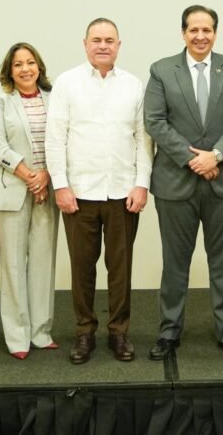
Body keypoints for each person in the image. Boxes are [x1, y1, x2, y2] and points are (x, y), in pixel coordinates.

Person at [144, 4, 223, 361]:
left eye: (207, 29)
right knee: (175, 264)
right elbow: (155, 121)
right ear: (183, 33)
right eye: (193, 29)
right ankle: (169, 331)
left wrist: (216, 156)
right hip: (175, 183)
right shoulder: (162, 70)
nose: (200, 36)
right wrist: (195, 159)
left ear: (215, 34)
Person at [46, 18, 153, 364]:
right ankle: (84, 332)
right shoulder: (67, 83)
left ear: (119, 45)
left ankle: (119, 332)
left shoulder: (134, 85)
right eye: (96, 40)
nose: (103, 45)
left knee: (120, 269)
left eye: (109, 40)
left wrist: (142, 183)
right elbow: (55, 138)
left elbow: (143, 139)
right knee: (82, 269)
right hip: (79, 194)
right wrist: (60, 184)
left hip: (123, 192)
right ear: (85, 44)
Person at [0, 43, 57, 360]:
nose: (25, 69)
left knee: (43, 263)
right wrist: (30, 176)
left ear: (39, 67)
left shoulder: (54, 98)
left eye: (30, 62)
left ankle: (40, 332)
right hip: (11, 189)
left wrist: (45, 176)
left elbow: (63, 140)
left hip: (47, 189)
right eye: (18, 64)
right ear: (9, 71)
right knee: (13, 265)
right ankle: (17, 337)